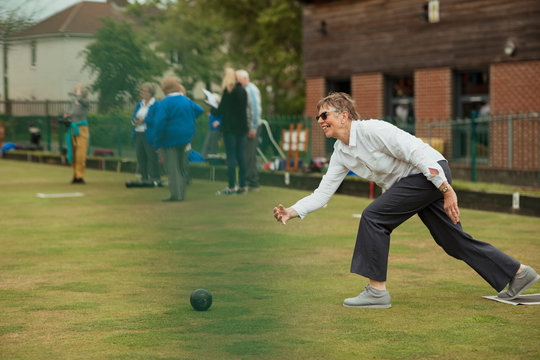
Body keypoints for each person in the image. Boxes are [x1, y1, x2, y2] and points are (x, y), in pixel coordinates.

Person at [273, 92, 539, 309]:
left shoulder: (372, 129)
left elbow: (415, 152)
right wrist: (292, 211)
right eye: (317, 116)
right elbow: (322, 193)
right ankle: (519, 273)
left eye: (324, 114)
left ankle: (377, 292)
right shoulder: (341, 153)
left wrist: (446, 189)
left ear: (343, 116)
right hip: (413, 184)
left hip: (429, 172)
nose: (319, 120)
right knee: (452, 241)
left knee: (374, 217)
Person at [153, 77, 203, 201]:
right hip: (186, 136)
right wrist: (188, 120)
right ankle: (181, 194)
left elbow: (159, 123)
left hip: (170, 138)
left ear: (165, 89)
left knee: (172, 167)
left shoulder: (165, 102)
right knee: (181, 167)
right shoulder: (186, 100)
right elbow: (199, 110)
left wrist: (157, 142)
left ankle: (176, 195)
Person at [212, 68, 248, 195]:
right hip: (241, 128)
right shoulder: (243, 91)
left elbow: (220, 111)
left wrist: (213, 105)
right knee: (241, 157)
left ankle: (231, 187)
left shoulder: (228, 92)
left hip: (229, 129)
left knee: (231, 157)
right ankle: (242, 186)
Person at [130, 82, 161, 186]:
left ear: (150, 93)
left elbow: (157, 120)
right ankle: (144, 177)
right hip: (138, 133)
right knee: (141, 156)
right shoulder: (139, 104)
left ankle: (155, 178)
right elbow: (134, 116)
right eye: (141, 91)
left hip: (149, 134)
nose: (142, 93)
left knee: (151, 156)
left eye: (144, 91)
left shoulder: (156, 104)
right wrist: (135, 121)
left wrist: (145, 120)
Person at [237, 69, 262, 192]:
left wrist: (252, 127)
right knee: (246, 155)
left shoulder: (250, 89)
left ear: (243, 78)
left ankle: (252, 183)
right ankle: (248, 182)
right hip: (248, 127)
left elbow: (255, 110)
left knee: (249, 156)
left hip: (252, 127)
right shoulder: (246, 89)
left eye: (237, 79)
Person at [63, 83, 90, 184]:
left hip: (82, 129)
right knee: (73, 153)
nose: (77, 93)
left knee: (80, 154)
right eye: (77, 91)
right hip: (72, 129)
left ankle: (80, 176)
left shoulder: (86, 102)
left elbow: (80, 100)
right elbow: (72, 114)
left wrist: (78, 92)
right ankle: (75, 175)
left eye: (79, 91)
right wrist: (67, 116)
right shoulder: (73, 102)